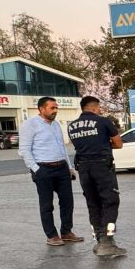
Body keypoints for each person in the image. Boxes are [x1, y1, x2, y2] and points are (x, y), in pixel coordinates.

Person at [18, 97, 85, 247]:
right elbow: (24, 151)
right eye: (52, 108)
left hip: (61, 168)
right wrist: (36, 170)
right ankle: (52, 235)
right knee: (47, 205)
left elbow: (61, 147)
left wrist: (69, 167)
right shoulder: (30, 125)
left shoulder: (55, 125)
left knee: (68, 202)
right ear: (41, 109)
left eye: (56, 108)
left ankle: (66, 232)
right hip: (43, 169)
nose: (55, 111)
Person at [67, 96, 126, 258]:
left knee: (93, 204)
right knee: (111, 201)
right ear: (94, 108)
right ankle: (107, 242)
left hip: (84, 168)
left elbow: (80, 145)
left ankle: (99, 241)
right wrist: (105, 144)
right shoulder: (104, 122)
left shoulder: (71, 126)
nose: (100, 110)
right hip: (102, 166)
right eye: (99, 108)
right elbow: (118, 143)